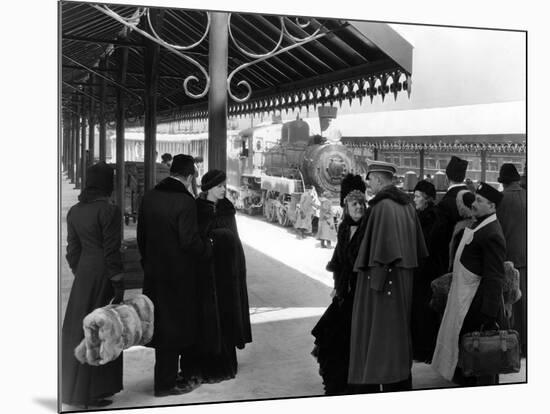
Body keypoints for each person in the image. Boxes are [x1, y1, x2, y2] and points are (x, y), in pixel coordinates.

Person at [348, 161, 428, 393]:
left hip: (383, 282)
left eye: (370, 180)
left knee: (381, 335)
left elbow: (379, 252)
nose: (369, 184)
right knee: (398, 334)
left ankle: (382, 377)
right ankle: (400, 378)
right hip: (404, 279)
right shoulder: (407, 206)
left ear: (380, 180)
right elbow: (417, 249)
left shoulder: (381, 207)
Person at [137, 154, 213, 397]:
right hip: (179, 277)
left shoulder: (149, 197)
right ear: (190, 176)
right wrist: (208, 247)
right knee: (176, 328)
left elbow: (141, 237)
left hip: (154, 274)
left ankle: (166, 377)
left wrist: (148, 264)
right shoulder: (185, 202)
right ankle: (166, 384)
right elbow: (189, 242)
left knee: (161, 326)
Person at [62, 161, 124, 408]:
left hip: (85, 274)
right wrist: (118, 281)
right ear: (107, 184)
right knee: (103, 329)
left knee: (78, 329)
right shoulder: (109, 210)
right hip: (103, 274)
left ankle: (74, 389)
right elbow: (111, 251)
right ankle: (94, 390)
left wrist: (83, 272)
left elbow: (72, 251)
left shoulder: (75, 210)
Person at [181, 169, 252, 384]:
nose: (224, 190)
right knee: (207, 318)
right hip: (205, 272)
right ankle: (206, 364)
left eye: (224, 186)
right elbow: (196, 241)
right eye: (220, 186)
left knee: (226, 315)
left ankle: (225, 363)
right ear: (209, 187)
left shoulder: (227, 210)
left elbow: (234, 240)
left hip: (226, 273)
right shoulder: (197, 209)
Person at [431, 183, 506, 386]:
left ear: (492, 207)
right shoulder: (480, 224)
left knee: (482, 364)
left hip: (477, 308)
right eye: (475, 198)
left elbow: (495, 277)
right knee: (469, 363)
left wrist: (489, 317)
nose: (474, 203)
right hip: (466, 302)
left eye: (479, 201)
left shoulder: (492, 233)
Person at [311, 174, 367, 395]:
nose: (359, 208)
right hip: (344, 293)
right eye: (354, 203)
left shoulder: (368, 228)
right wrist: (338, 285)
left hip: (359, 295)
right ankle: (337, 383)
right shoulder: (344, 227)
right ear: (345, 205)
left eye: (361, 203)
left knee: (345, 340)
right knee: (331, 337)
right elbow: (339, 261)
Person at [496, 163, 527, 357]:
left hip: (509, 261)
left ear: (504, 182)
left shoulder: (500, 199)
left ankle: (516, 348)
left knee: (511, 307)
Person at [410, 180, 441, 363]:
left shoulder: (431, 217)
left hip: (427, 271)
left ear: (427, 198)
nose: (414, 200)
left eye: (417, 196)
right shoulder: (420, 215)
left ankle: (425, 350)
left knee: (425, 311)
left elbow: (428, 246)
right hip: (420, 270)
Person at [432, 156, 469, 277]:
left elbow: (438, 238)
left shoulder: (445, 203)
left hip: (449, 262)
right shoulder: (472, 198)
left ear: (446, 179)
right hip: (469, 261)